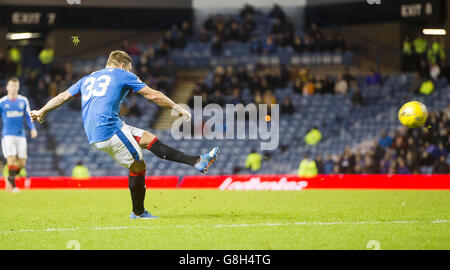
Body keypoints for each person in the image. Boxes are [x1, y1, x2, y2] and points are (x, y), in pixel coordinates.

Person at [30, 50, 219, 219]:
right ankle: (138, 213)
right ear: (122, 65)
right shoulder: (122, 74)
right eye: (129, 69)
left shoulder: (88, 78)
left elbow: (63, 96)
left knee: (149, 139)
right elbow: (153, 95)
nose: (130, 73)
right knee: (138, 165)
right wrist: (176, 106)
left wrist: (42, 111)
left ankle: (197, 161)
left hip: (103, 128)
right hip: (109, 130)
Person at [0, 77, 38, 193]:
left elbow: (28, 116)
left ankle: (9, 178)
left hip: (21, 134)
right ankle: (13, 186)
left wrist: (33, 129)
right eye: (11, 85)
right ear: (7, 87)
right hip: (8, 135)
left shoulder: (23, 100)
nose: (14, 88)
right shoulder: (2, 102)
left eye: (16, 86)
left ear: (18, 87)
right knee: (11, 158)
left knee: (22, 163)